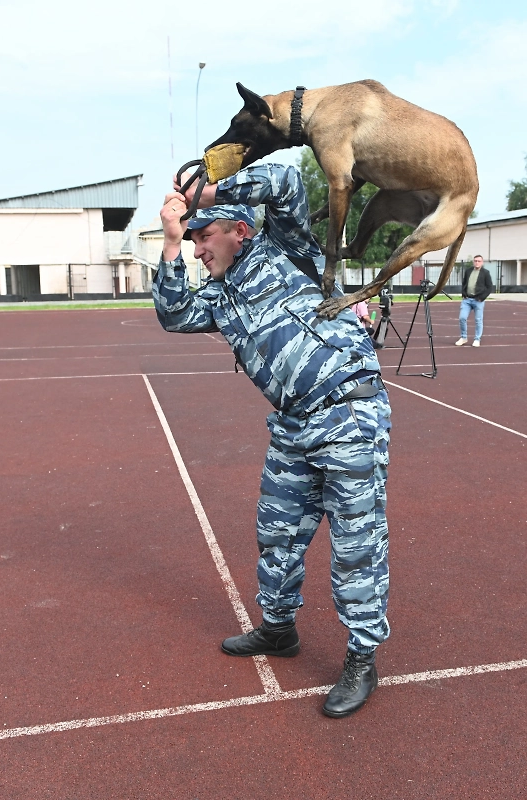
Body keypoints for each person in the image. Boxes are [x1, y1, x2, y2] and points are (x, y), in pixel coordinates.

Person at [153, 164, 391, 719]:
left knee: (357, 545)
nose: (198, 248)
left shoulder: (286, 251)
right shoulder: (216, 297)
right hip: (293, 425)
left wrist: (206, 190)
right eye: (191, 240)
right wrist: (169, 242)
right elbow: (172, 314)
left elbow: (285, 181)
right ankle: (279, 629)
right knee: (276, 533)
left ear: (239, 229)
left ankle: (362, 657)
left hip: (348, 412)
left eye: (202, 235)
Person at [456, 254, 493, 347]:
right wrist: (463, 293)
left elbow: (489, 287)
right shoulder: (468, 271)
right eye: (475, 261)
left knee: (478, 320)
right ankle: (463, 337)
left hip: (478, 300)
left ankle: (477, 339)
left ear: (482, 262)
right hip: (467, 300)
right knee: (462, 318)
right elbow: (464, 283)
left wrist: (482, 297)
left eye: (479, 261)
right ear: (473, 262)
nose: (477, 262)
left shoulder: (485, 273)